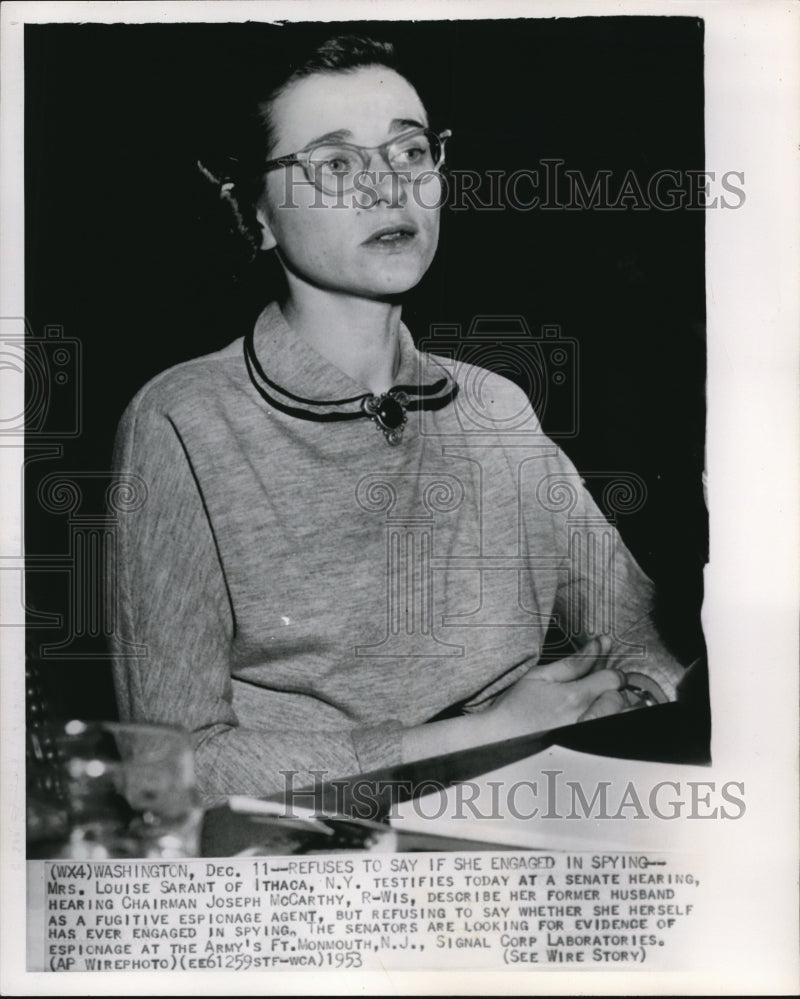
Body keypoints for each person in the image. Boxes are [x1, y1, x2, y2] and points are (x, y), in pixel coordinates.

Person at [111, 35, 685, 807]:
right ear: (257, 215)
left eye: (411, 152)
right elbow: (167, 769)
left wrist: (636, 700)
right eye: (338, 164)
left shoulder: (494, 408)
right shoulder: (181, 419)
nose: (389, 189)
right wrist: (478, 735)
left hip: (524, 825)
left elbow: (641, 628)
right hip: (302, 860)